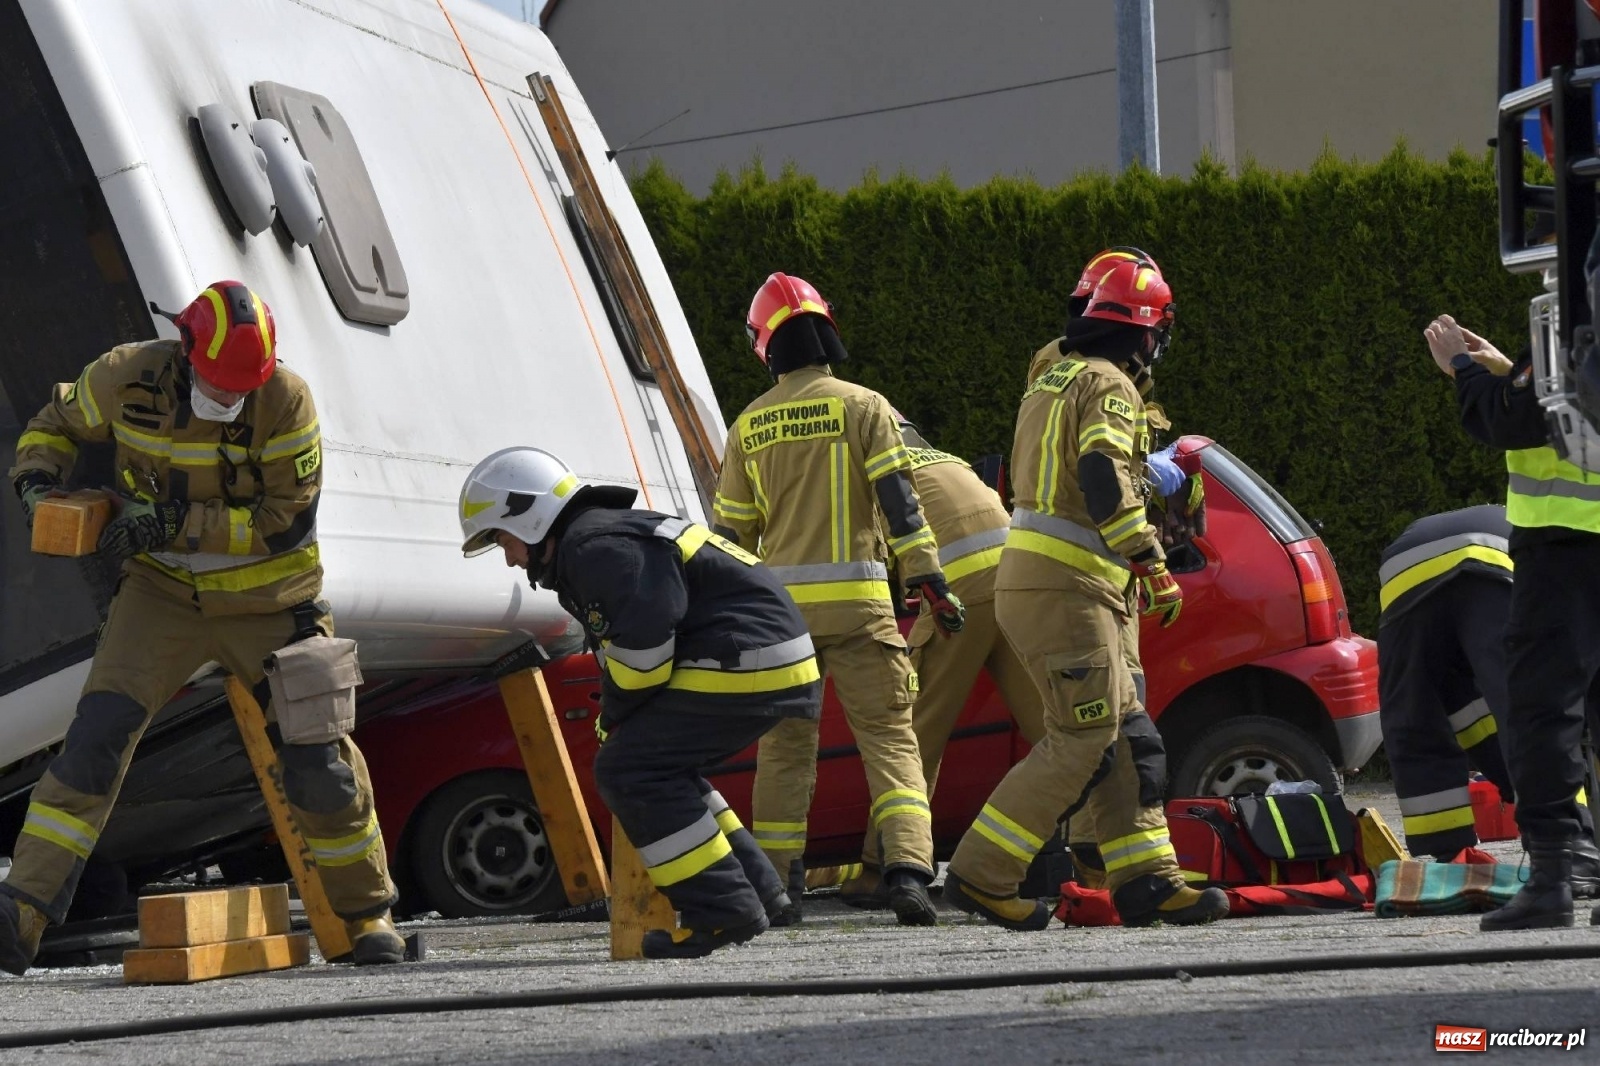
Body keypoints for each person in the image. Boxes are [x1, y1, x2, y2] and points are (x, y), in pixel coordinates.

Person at [2, 282, 403, 975]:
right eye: (219, 384)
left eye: (245, 386)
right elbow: (53, 424)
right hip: (161, 598)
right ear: (185, 352)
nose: (232, 399)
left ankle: (369, 919)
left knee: (319, 767)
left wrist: (169, 524)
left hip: (274, 604)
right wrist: (37, 480)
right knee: (93, 745)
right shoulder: (126, 376)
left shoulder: (287, 401)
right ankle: (19, 917)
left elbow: (287, 523)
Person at [943, 258, 1229, 930]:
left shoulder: (1054, 377)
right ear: (1143, 330)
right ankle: (982, 874)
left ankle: (1147, 880)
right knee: (1084, 735)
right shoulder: (1110, 385)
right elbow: (1101, 472)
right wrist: (1151, 558)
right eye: (1158, 330)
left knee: (1128, 737)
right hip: (1067, 588)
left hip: (1064, 586)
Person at [459, 446, 822, 958]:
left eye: (502, 539)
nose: (510, 558)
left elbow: (644, 656)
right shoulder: (601, 537)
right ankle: (762, 894)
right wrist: (619, 716)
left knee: (629, 770)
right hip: (765, 656)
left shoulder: (596, 548)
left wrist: (616, 718)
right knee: (662, 767)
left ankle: (723, 913)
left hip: (746, 659)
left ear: (529, 514)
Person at [712, 273, 964, 927]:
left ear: (764, 343)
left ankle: (778, 889)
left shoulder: (749, 426)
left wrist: (720, 621)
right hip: (861, 612)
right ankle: (908, 872)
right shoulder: (864, 407)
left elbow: (731, 540)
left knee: (785, 751)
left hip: (780, 623)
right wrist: (929, 578)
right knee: (890, 740)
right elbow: (901, 505)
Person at [1426, 312, 1600, 930]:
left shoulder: (1575, 324)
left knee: (1542, 713)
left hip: (1562, 552)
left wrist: (1464, 371)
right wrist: (1509, 370)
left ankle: (1553, 878)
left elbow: (1513, 418)